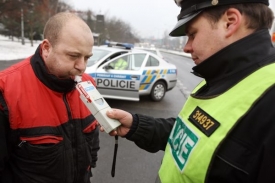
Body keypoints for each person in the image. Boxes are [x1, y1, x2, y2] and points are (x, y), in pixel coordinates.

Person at [103, 0, 275, 182]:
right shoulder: (217, 79)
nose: (186, 47)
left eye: (193, 34)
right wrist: (137, 125)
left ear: (230, 22)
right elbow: (193, 136)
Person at [0, 12, 100, 183]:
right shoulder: (6, 90)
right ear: (46, 48)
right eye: (73, 56)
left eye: (87, 57)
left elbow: (92, 144)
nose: (82, 67)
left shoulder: (88, 84)